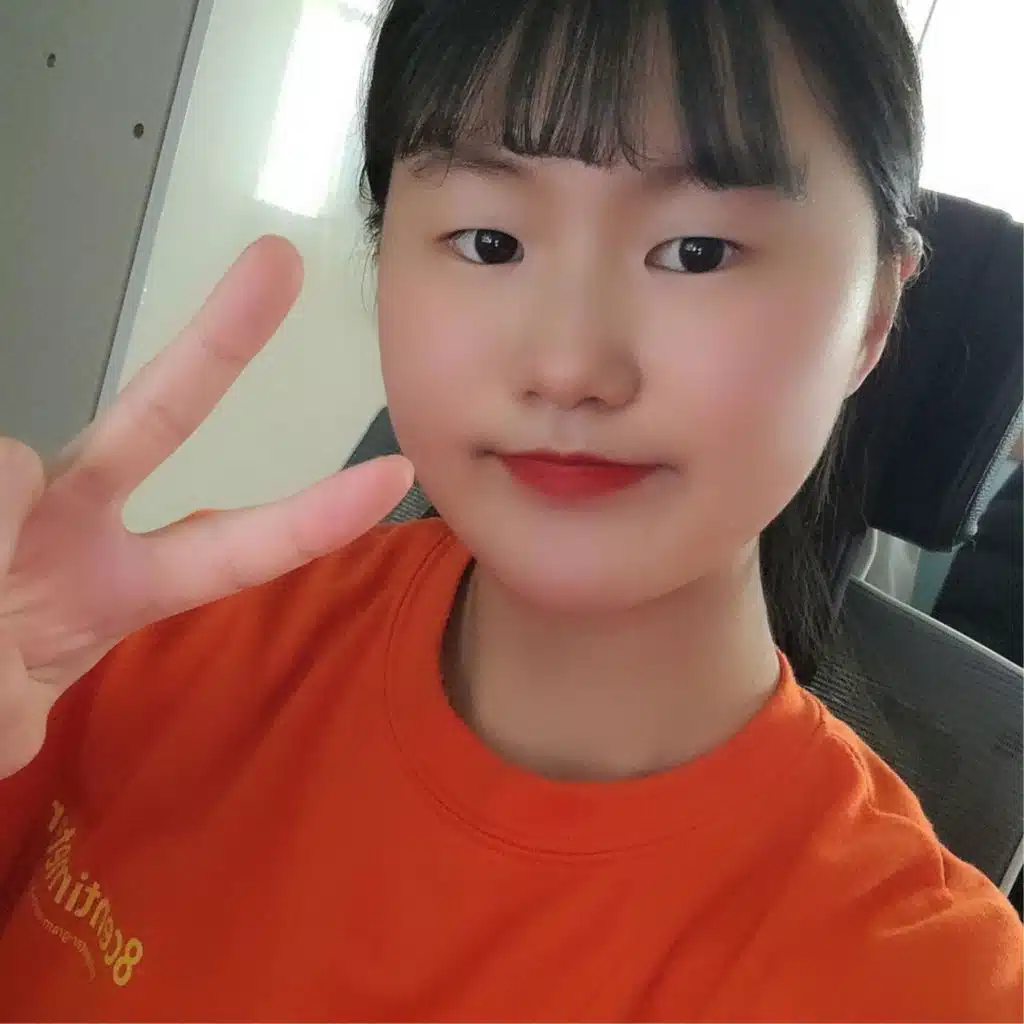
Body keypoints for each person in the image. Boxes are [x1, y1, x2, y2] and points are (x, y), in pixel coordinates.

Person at [0, 0, 1021, 1018]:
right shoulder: (120, 647)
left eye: (698, 252)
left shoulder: (916, 981)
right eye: (489, 242)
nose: (567, 365)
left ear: (875, 313)